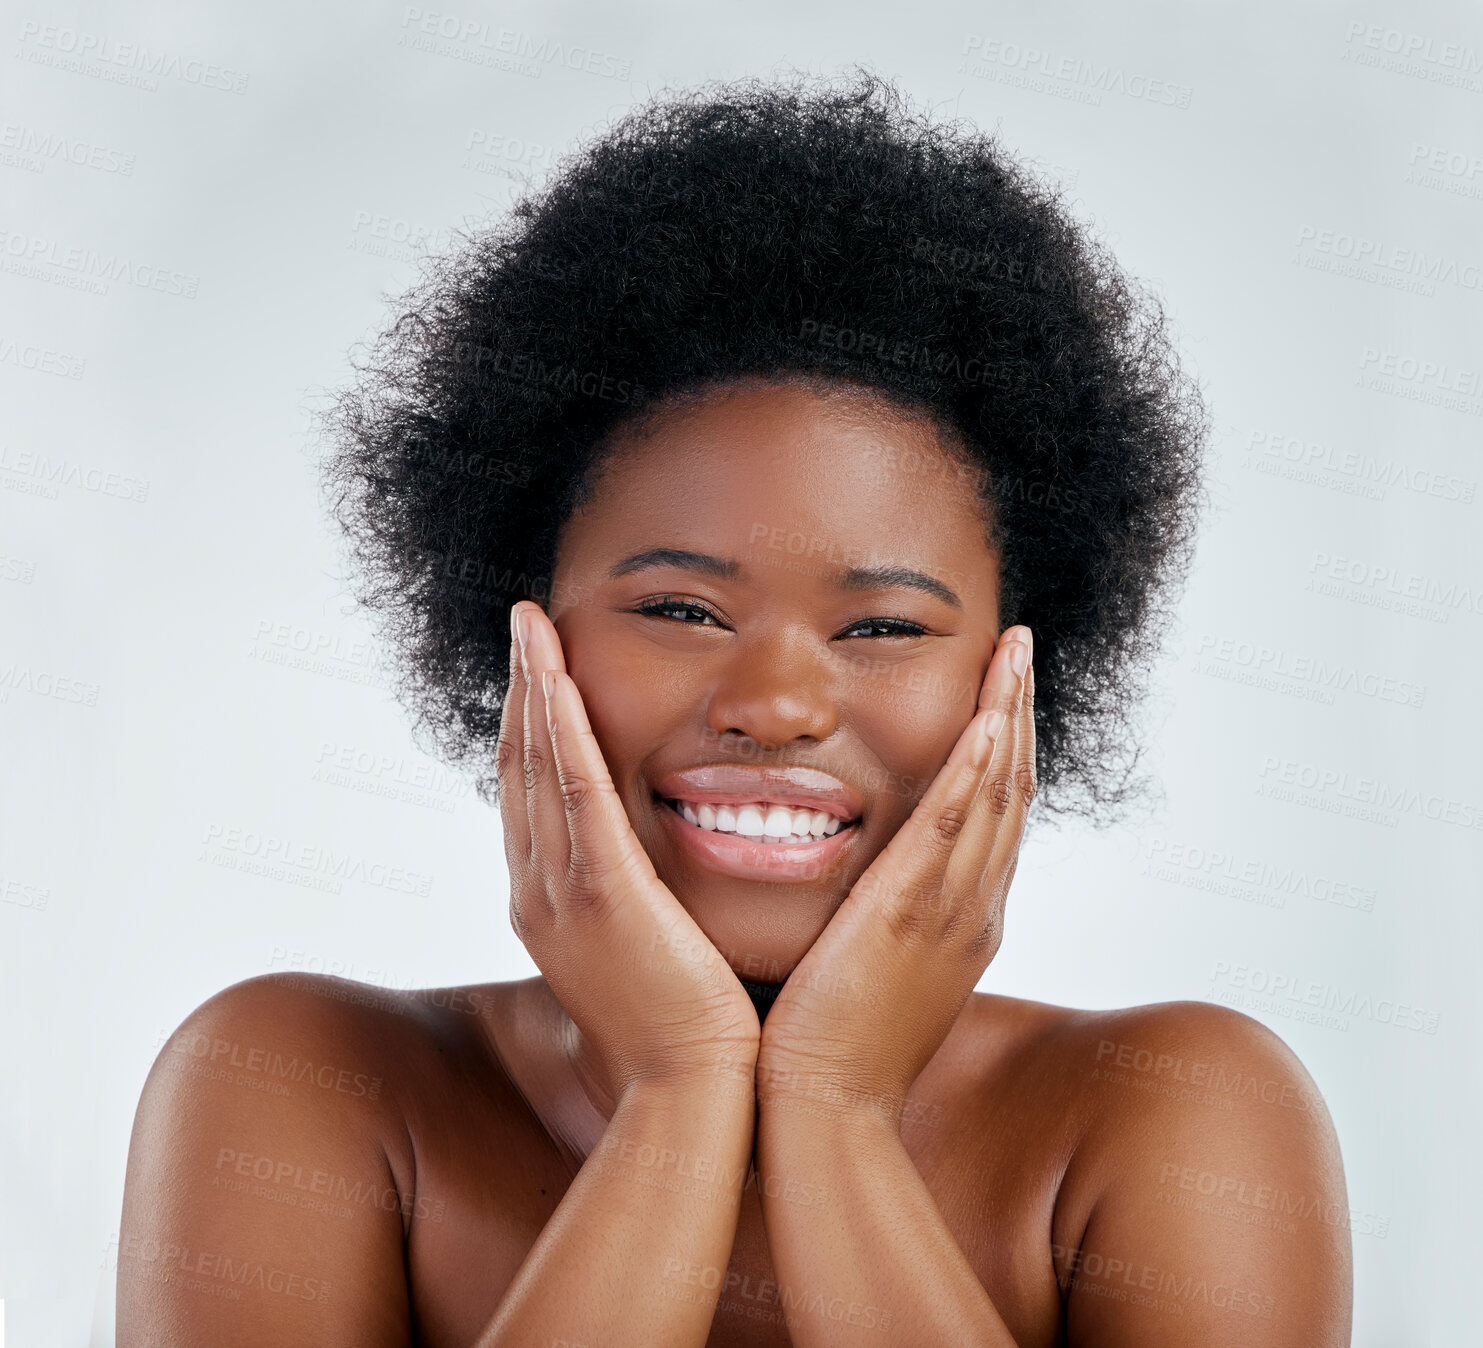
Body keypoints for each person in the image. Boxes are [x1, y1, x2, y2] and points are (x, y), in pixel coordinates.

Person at [117, 69, 1352, 1346]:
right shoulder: (302, 1084)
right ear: (519, 624)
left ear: (1022, 674)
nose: (773, 704)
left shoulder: (1175, 1115)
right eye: (679, 609)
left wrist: (833, 1105)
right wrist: (675, 1086)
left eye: (882, 627)